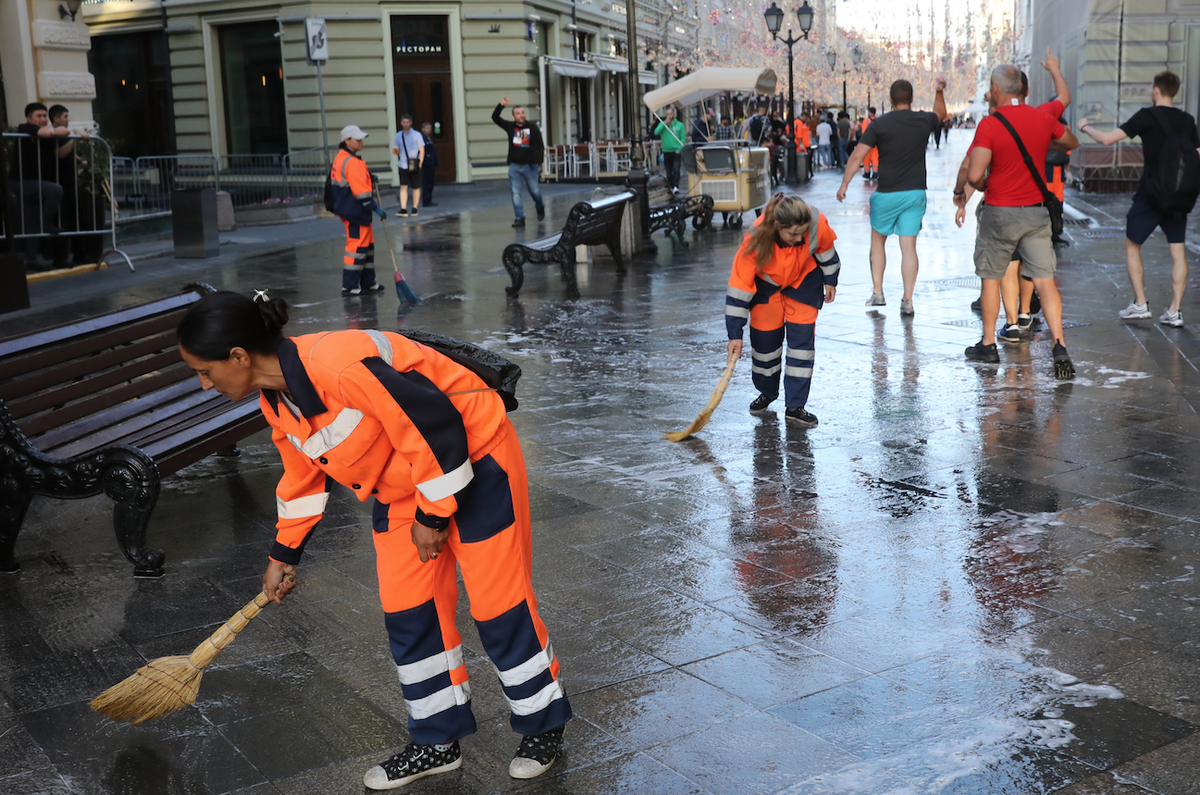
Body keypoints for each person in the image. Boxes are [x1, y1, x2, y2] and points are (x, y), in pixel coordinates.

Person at [176, 291, 573, 791]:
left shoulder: (338, 367)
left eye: (204, 371)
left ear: (238, 356)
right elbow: (301, 478)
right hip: (406, 484)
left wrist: (432, 515)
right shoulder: (277, 402)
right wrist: (283, 553)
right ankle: (436, 741)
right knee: (410, 613)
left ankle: (543, 725)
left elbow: (438, 426)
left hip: (475, 458)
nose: (203, 383)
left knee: (498, 606)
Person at [953, 64, 1079, 379]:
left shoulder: (991, 125)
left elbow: (974, 174)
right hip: (1036, 213)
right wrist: (1045, 143)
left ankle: (988, 344)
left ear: (996, 90)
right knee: (1045, 281)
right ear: (1022, 89)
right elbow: (1072, 142)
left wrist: (975, 188)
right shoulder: (1041, 118)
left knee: (991, 277)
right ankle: (1059, 346)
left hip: (999, 212)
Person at [1079, 70, 1199, 328]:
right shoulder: (1188, 121)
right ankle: (1175, 311)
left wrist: (1085, 127)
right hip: (1179, 195)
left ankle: (1141, 304)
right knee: (1178, 252)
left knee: (1132, 245)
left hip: (1151, 194)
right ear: (1175, 91)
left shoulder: (1147, 116)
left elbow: (1108, 139)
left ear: (1155, 90)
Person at [724, 194, 841, 428]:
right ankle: (767, 392)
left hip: (804, 281)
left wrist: (830, 280)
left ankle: (795, 407)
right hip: (766, 286)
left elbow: (827, 252)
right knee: (765, 344)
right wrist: (734, 335)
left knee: (801, 347)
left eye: (802, 234)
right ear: (777, 227)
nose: (799, 240)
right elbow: (739, 287)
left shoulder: (817, 223)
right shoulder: (755, 240)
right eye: (792, 235)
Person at [837, 78, 946, 315]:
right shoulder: (923, 119)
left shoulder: (879, 124)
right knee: (909, 248)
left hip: (886, 192)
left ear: (890, 99)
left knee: (878, 242)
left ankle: (878, 292)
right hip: (915, 192)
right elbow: (941, 113)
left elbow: (857, 156)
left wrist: (844, 184)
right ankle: (907, 300)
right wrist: (939, 91)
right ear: (912, 98)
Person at [7, 102, 68, 271]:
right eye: (38, 116)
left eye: (44, 116)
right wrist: (58, 131)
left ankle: (31, 259)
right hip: (20, 182)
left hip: (34, 183)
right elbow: (46, 132)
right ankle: (46, 224)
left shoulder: (46, 135)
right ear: (29, 118)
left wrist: (75, 140)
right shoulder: (25, 128)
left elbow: (59, 153)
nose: (42, 119)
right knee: (56, 189)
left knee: (32, 222)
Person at [330, 124, 387, 297]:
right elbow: (359, 190)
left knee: (367, 246)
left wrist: (369, 177)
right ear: (346, 141)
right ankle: (349, 285)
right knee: (356, 247)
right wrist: (375, 207)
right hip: (355, 210)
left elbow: (353, 180)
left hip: (352, 209)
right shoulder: (351, 161)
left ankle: (368, 282)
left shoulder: (343, 158)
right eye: (357, 139)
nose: (361, 142)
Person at [492, 98, 545, 228]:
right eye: (518, 113)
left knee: (535, 192)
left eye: (522, 112)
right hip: (515, 166)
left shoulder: (532, 128)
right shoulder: (510, 127)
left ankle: (540, 207)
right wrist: (501, 105)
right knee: (515, 193)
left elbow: (540, 145)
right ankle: (519, 218)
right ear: (513, 116)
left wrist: (539, 161)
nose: (521, 115)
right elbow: (495, 117)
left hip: (530, 166)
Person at [392, 115, 425, 218]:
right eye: (403, 122)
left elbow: (422, 149)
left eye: (407, 122)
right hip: (403, 164)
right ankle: (404, 209)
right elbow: (395, 149)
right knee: (403, 186)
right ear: (401, 123)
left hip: (414, 163)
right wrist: (396, 151)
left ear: (411, 123)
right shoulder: (398, 135)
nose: (405, 124)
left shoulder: (416, 135)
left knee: (416, 187)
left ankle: (415, 208)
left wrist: (420, 163)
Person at [653, 107, 687, 194]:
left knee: (676, 169)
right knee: (668, 171)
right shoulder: (663, 124)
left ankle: (676, 186)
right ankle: (671, 187)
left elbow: (683, 138)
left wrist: (679, 149)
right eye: (667, 114)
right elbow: (656, 132)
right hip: (666, 151)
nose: (669, 116)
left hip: (676, 150)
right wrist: (664, 124)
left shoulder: (680, 125)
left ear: (674, 114)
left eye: (670, 114)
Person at [419, 122, 439, 208]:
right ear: (423, 129)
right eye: (427, 128)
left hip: (431, 163)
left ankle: (429, 199)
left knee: (430, 182)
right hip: (426, 164)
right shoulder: (422, 139)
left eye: (430, 128)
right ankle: (426, 200)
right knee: (427, 183)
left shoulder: (428, 138)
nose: (429, 130)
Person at [858, 108, 879, 179]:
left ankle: (867, 173)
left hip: (867, 142)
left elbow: (864, 132)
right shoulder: (878, 120)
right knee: (875, 157)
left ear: (870, 112)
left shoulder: (866, 120)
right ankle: (875, 173)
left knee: (866, 157)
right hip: (876, 142)